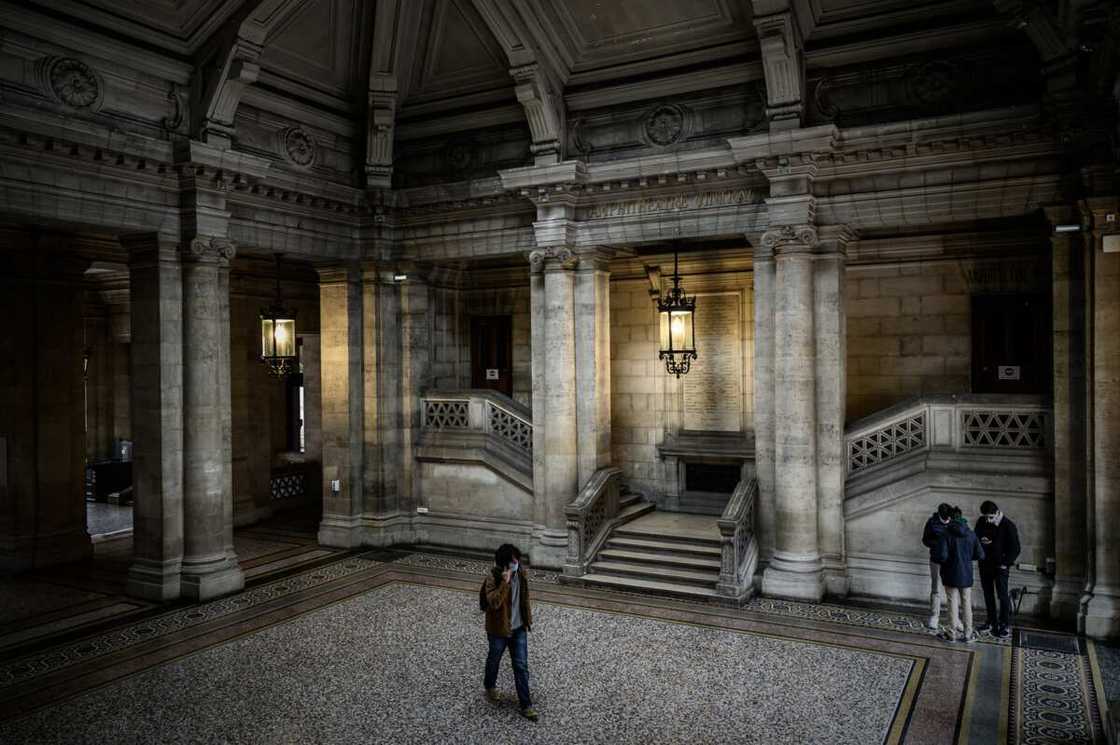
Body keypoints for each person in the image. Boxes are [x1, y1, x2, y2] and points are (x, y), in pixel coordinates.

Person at [482, 543, 538, 721]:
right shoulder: (493, 577)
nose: (516, 562)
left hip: (519, 628)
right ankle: (489, 685)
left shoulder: (521, 573)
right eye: (513, 560)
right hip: (499, 630)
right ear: (504, 563)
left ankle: (526, 705)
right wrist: (504, 584)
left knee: (521, 666)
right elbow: (494, 603)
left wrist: (527, 619)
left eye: (517, 559)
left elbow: (524, 598)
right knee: (494, 659)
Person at [933, 507, 985, 642]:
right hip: (966, 574)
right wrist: (967, 558)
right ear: (962, 517)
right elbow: (980, 554)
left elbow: (942, 556)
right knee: (967, 603)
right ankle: (968, 634)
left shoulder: (946, 534)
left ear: (950, 518)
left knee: (952, 603)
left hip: (950, 573)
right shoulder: (971, 534)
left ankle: (952, 633)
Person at [975, 500, 1021, 638]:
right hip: (985, 565)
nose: (988, 520)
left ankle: (1004, 624)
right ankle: (991, 621)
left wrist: (1005, 563)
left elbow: (1015, 549)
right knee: (988, 595)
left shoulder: (1008, 525)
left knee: (1002, 595)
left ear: (997, 513)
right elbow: (976, 538)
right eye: (985, 517)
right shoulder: (982, 521)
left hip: (1001, 567)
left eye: (990, 517)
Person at [922, 503, 954, 630]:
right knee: (936, 588)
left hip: (952, 561)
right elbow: (925, 540)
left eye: (948, 518)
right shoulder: (931, 522)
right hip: (936, 559)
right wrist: (938, 543)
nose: (947, 520)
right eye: (944, 518)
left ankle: (954, 619)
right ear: (939, 515)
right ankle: (934, 616)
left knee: (952, 589)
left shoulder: (955, 521)